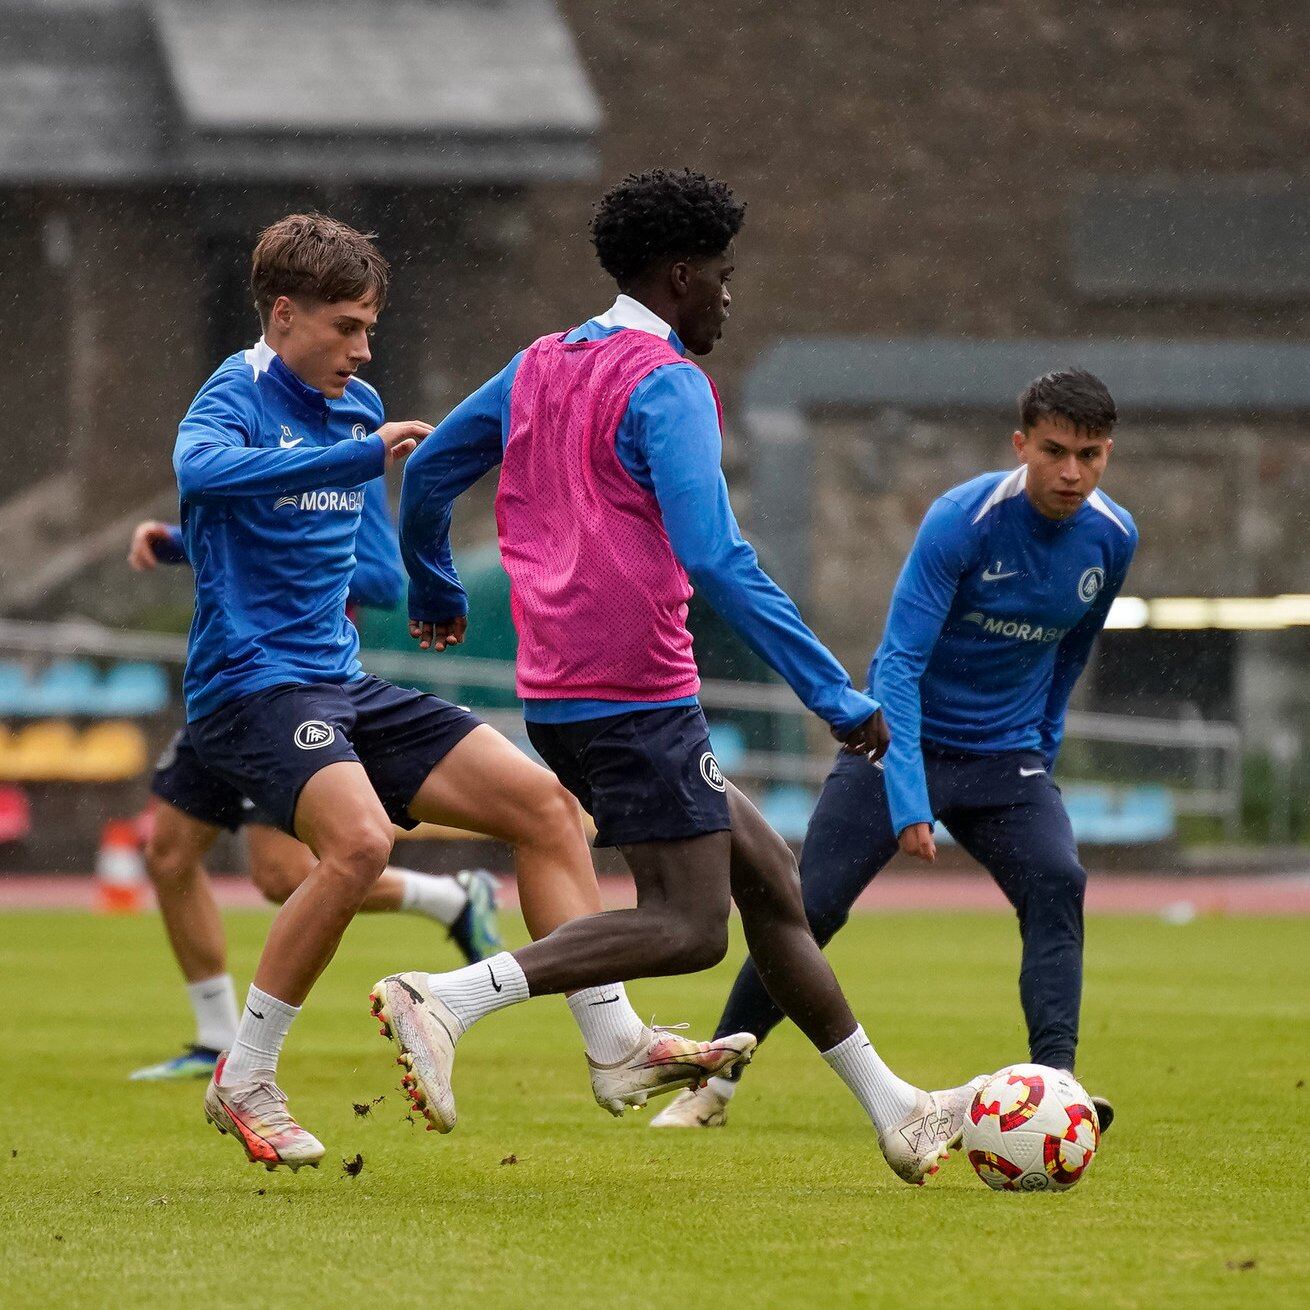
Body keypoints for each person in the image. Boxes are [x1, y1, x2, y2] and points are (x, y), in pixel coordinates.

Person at [385, 168, 983, 1186]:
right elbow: (715, 556)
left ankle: (898, 1110)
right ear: (677, 276)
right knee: (689, 926)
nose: (726, 295)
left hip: (566, 689)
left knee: (769, 884)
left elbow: (434, 467)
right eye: (720, 275)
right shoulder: (665, 385)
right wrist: (832, 692)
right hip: (635, 691)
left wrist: (434, 584)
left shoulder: (539, 363)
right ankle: (446, 997)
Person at [176, 213, 746, 1172]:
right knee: (359, 843)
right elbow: (203, 473)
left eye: (370, 329)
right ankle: (245, 1077)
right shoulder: (234, 396)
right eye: (345, 327)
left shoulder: (356, 408)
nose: (362, 350)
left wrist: (425, 588)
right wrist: (360, 460)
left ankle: (613, 1044)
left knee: (545, 807)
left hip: (340, 682)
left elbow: (365, 566)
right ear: (282, 314)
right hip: (250, 689)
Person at [652, 368, 1135, 1132]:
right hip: (900, 744)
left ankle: (1057, 1086)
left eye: (1091, 454)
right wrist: (910, 798)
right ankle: (715, 1078)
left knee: (1058, 880)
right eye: (1055, 451)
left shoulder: (1113, 537)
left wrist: (1042, 750)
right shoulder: (962, 521)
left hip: (1007, 759)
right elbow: (899, 666)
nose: (1072, 472)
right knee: (806, 910)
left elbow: (1070, 657)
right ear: (1021, 445)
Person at [125, 482, 500, 1084]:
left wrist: (292, 560)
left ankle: (451, 899)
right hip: (226, 681)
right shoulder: (249, 430)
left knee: (283, 876)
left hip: (292, 693)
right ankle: (215, 1039)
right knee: (168, 855)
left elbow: (381, 579)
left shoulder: (353, 450)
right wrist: (176, 543)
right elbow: (236, 543)